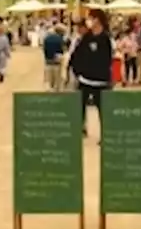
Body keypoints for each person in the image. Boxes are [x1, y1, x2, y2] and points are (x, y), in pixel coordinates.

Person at [69, 10, 113, 139]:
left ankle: (106, 135)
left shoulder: (105, 39)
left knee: (103, 109)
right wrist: (78, 71)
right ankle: (81, 130)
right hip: (85, 80)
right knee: (80, 107)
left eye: (90, 18)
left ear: (97, 19)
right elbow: (77, 55)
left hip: (101, 81)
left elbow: (107, 60)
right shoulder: (86, 37)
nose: (89, 21)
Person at [42, 24, 67, 91]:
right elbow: (62, 50)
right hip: (57, 62)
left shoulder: (47, 38)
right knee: (57, 82)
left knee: (49, 81)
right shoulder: (60, 39)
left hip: (48, 62)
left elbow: (44, 49)